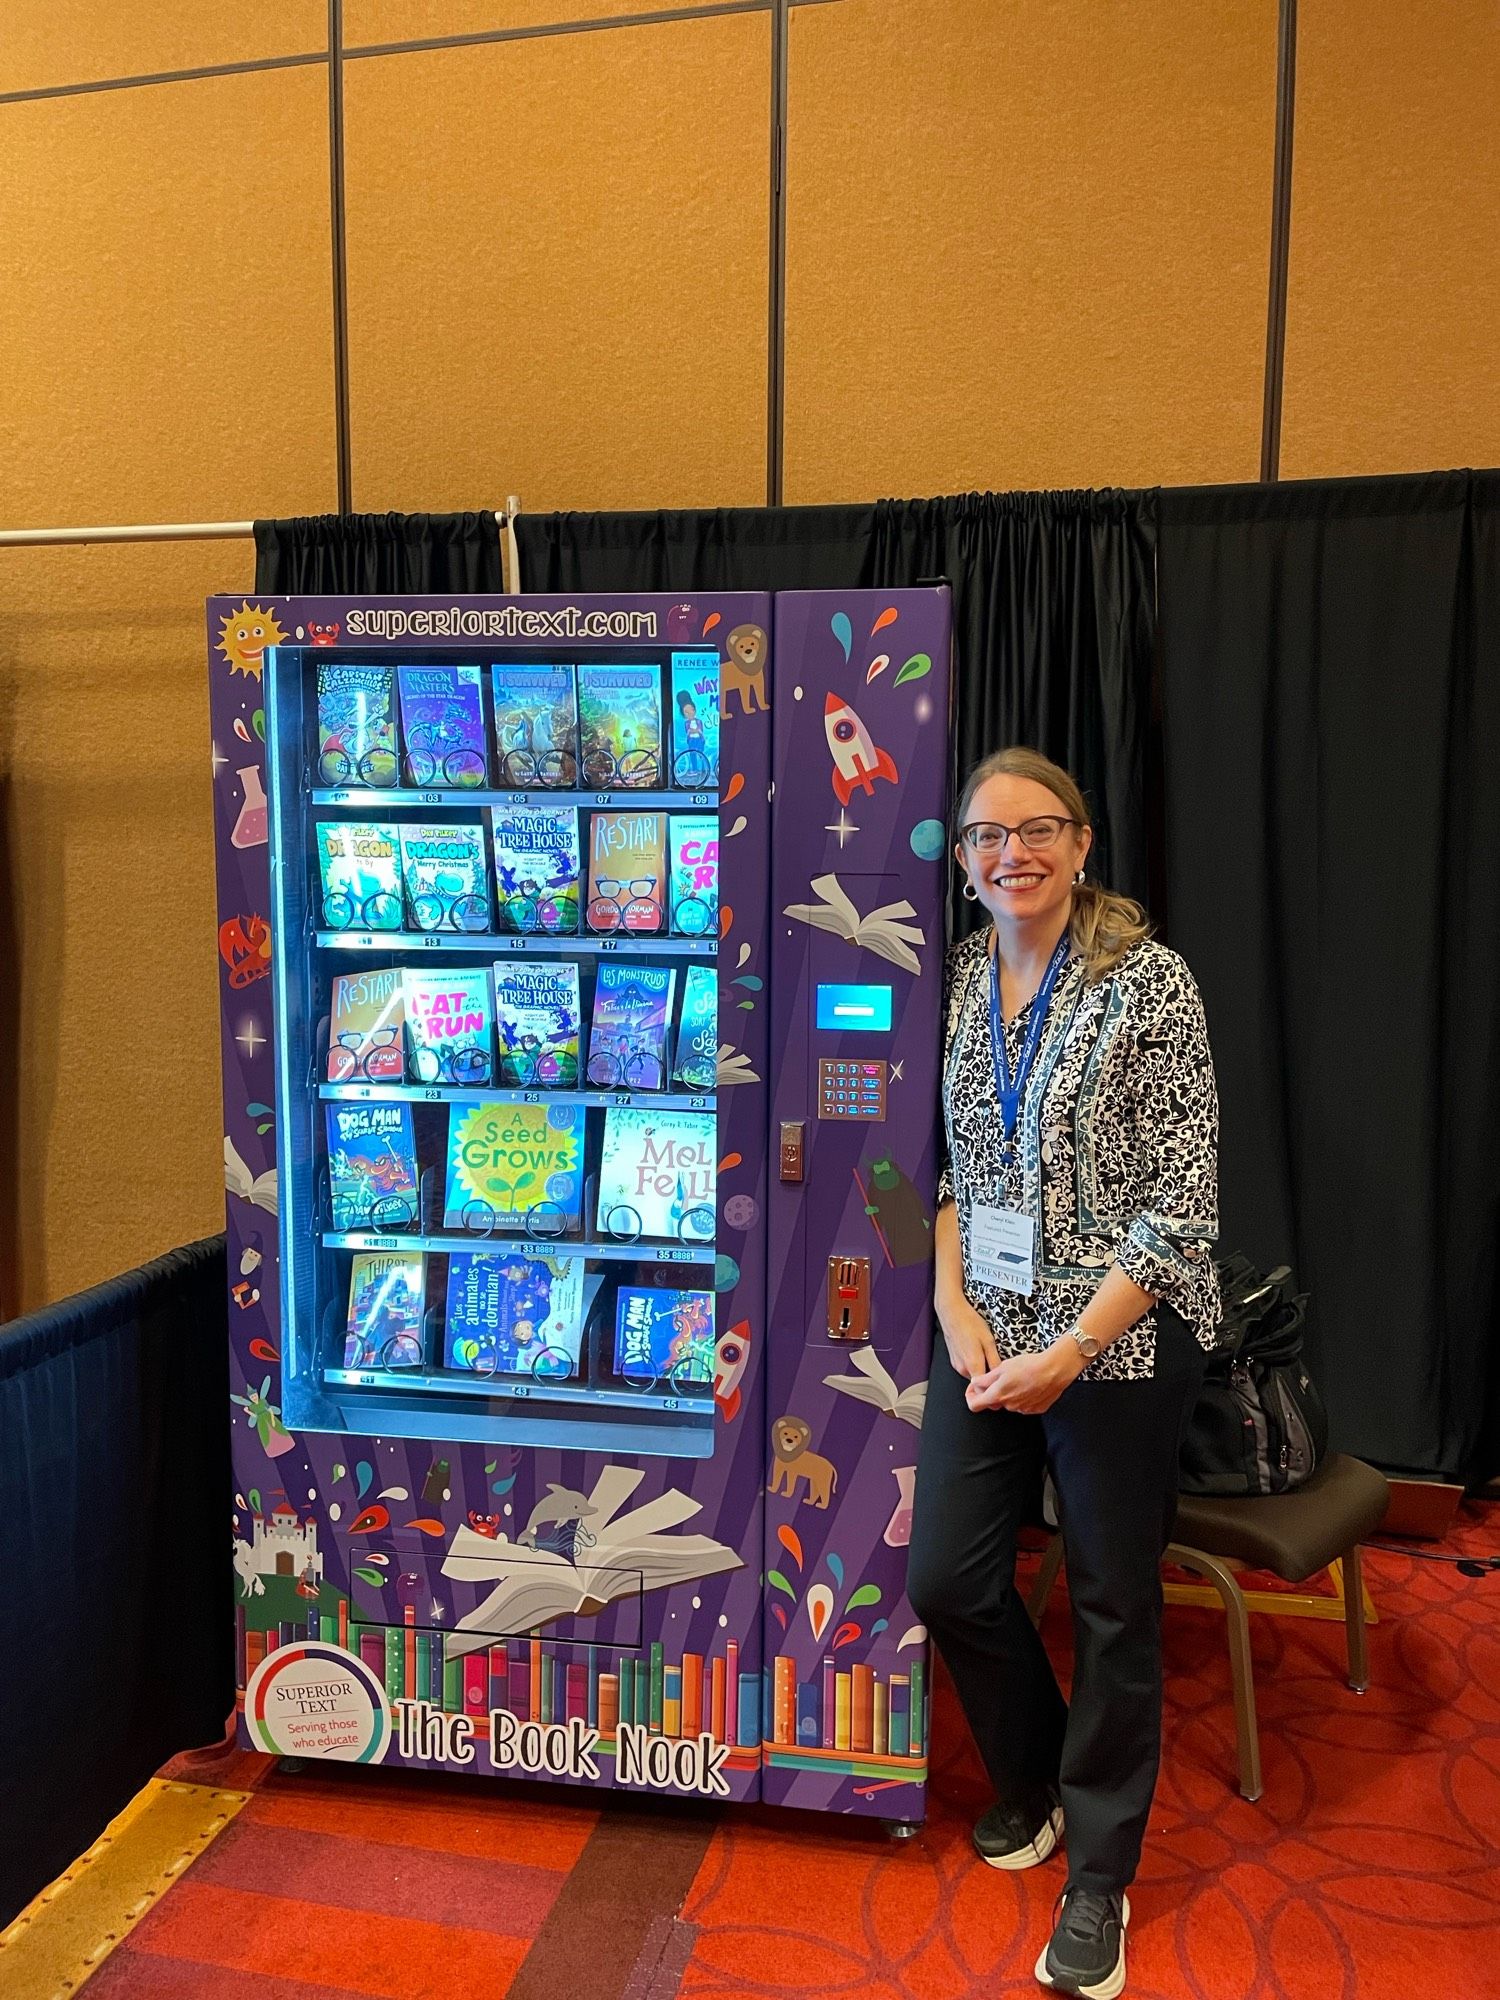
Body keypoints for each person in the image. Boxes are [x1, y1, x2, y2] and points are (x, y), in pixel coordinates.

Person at [907, 747, 1220, 2000]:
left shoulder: (1151, 987)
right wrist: (952, 1301)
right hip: (988, 1331)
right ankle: (1031, 1776)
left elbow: (1181, 1209)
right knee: (949, 1575)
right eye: (987, 836)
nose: (1010, 853)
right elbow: (942, 1173)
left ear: (1082, 845)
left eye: (1036, 830)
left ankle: (1099, 1875)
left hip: (1117, 1343)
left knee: (1111, 1603)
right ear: (966, 860)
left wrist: (1074, 1349)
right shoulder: (965, 977)